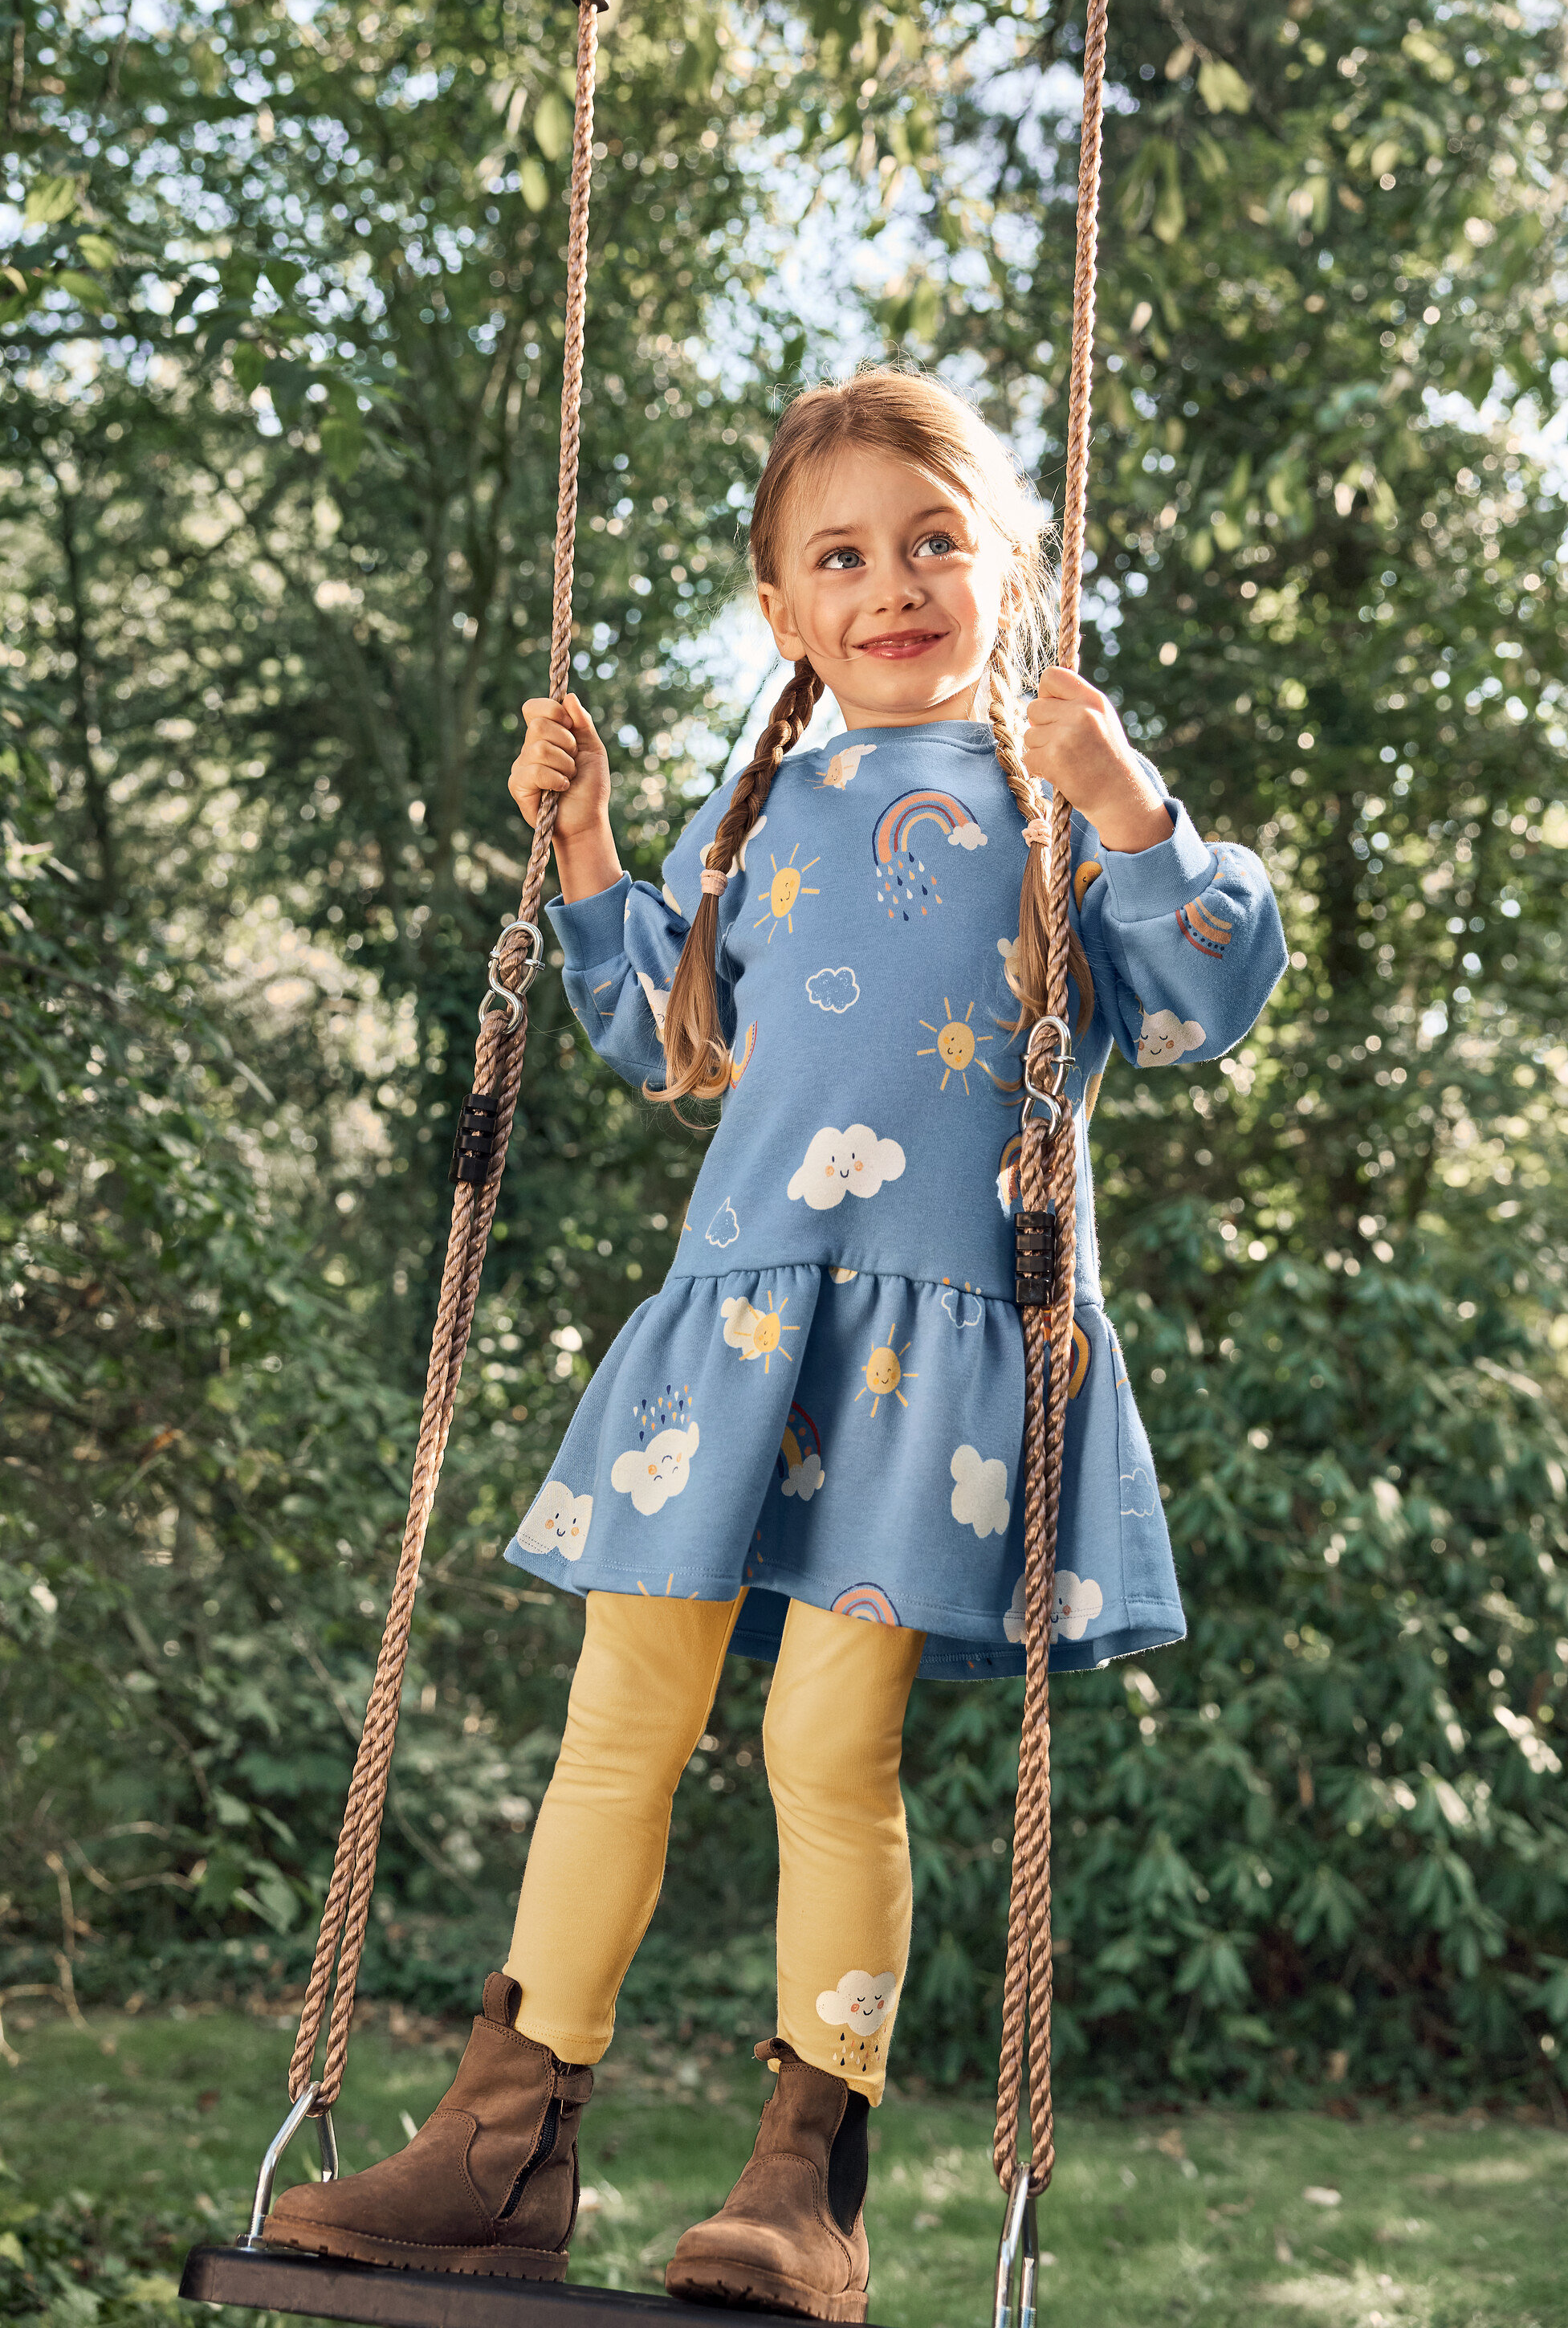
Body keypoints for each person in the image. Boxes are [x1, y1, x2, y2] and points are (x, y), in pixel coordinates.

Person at [265, 367, 1287, 2318]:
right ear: (781, 611)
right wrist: (579, 843)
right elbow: (661, 1027)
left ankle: (804, 2177)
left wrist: (1121, 791)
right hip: (731, 1337)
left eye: (930, 544)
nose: (890, 582)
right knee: (614, 1728)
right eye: (841, 556)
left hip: (937, 1363)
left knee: (831, 1746)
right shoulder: (763, 817)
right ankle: (503, 2142)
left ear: (1008, 574)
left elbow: (1194, 999)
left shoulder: (1051, 800)